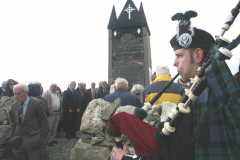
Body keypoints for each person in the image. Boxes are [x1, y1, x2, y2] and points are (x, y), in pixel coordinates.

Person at [108, 11, 240, 160]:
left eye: (179, 55)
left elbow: (177, 154)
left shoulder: (203, 97)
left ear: (197, 55)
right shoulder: (210, 88)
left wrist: (125, 158)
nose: (174, 62)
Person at [10, 84, 48, 160]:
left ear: (26, 93)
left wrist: (42, 138)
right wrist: (12, 136)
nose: (16, 96)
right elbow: (14, 123)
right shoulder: (14, 105)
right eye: (14, 94)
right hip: (18, 141)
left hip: (34, 141)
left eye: (18, 94)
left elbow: (44, 121)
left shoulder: (37, 103)